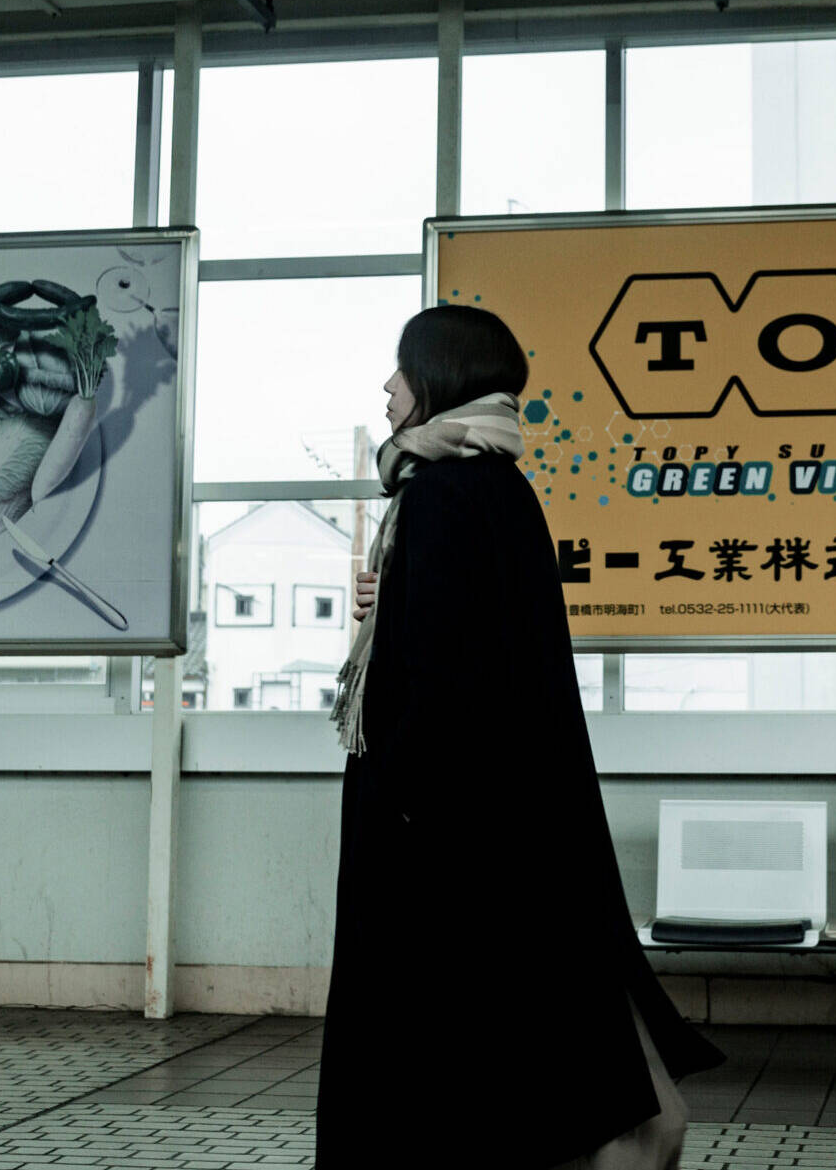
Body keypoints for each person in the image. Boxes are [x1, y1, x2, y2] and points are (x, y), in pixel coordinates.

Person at [315, 304, 725, 1170]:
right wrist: (393, 597)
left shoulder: (438, 494)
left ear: (440, 377)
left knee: (434, 1055)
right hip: (508, 817)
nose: (388, 388)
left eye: (402, 370)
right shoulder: (498, 488)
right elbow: (483, 642)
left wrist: (401, 801)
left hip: (436, 832)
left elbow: (439, 676)